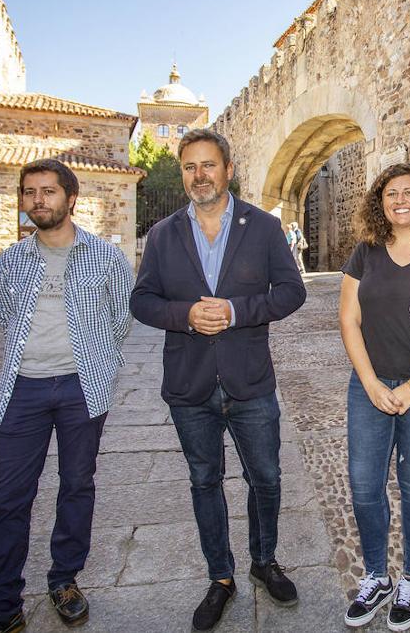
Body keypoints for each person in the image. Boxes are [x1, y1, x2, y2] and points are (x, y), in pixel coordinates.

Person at [130, 128, 307, 632]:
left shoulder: (263, 228)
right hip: (190, 388)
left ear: (228, 170)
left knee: (266, 479)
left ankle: (264, 560)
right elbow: (142, 301)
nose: (199, 175)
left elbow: (292, 292)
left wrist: (235, 310)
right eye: (190, 166)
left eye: (209, 165)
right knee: (205, 481)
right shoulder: (163, 234)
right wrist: (187, 314)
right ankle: (220, 577)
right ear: (183, 172)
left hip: (250, 382)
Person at [0, 159, 134, 633]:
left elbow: (122, 317)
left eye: (48, 192)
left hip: (83, 387)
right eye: (29, 192)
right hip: (23, 389)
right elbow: (3, 310)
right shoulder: (12, 260)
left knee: (77, 485)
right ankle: (3, 608)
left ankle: (64, 580)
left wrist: (98, 360)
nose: (38, 200)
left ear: (70, 199)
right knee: (9, 496)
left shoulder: (104, 257)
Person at [339, 163, 410, 631]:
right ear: (379, 203)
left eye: (409, 192)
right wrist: (369, 383)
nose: (399, 200)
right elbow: (348, 319)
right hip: (370, 384)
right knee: (365, 485)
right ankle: (377, 576)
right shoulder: (365, 252)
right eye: (390, 194)